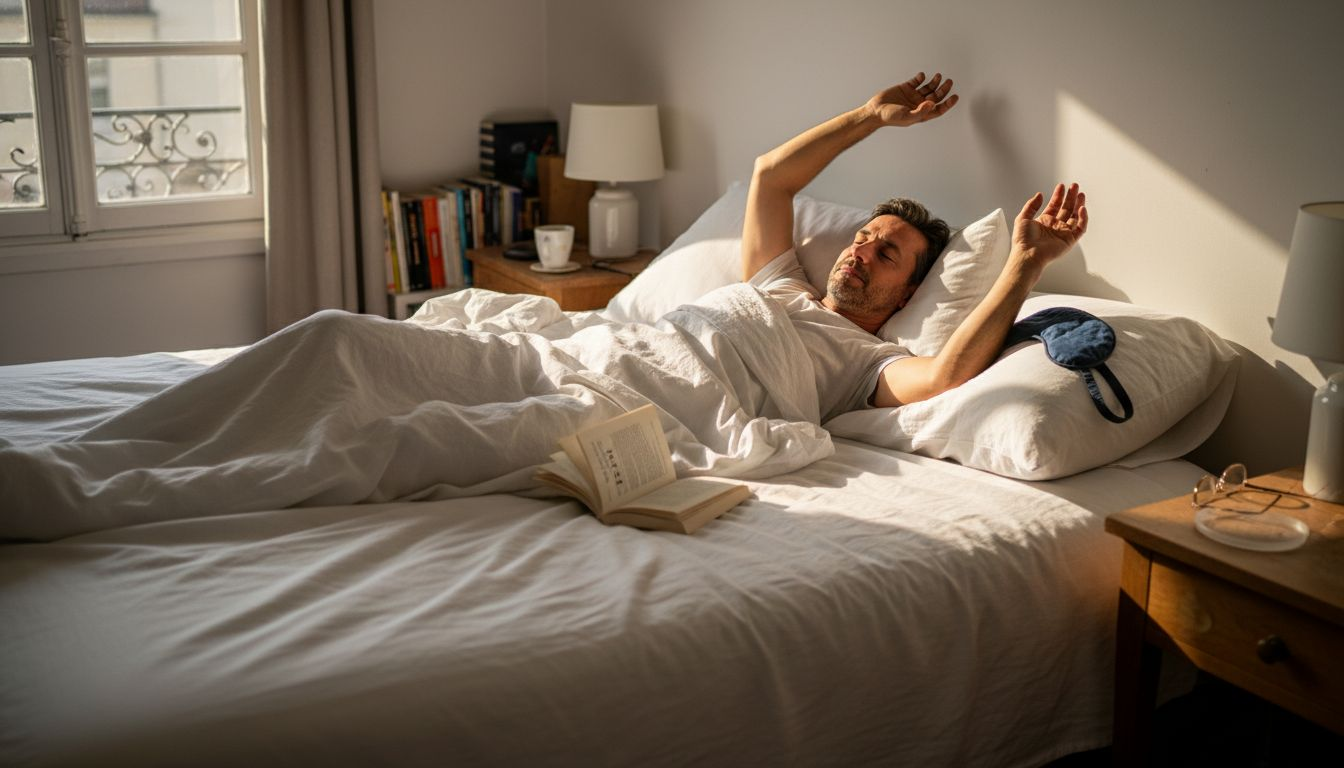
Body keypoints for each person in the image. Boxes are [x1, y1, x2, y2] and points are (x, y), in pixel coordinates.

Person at [742, 72, 1088, 421]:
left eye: (886, 254)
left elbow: (944, 375)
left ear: (908, 294)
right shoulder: (780, 284)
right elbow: (769, 177)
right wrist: (869, 116)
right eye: (861, 240)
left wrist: (1026, 263)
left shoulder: (867, 361)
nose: (860, 253)